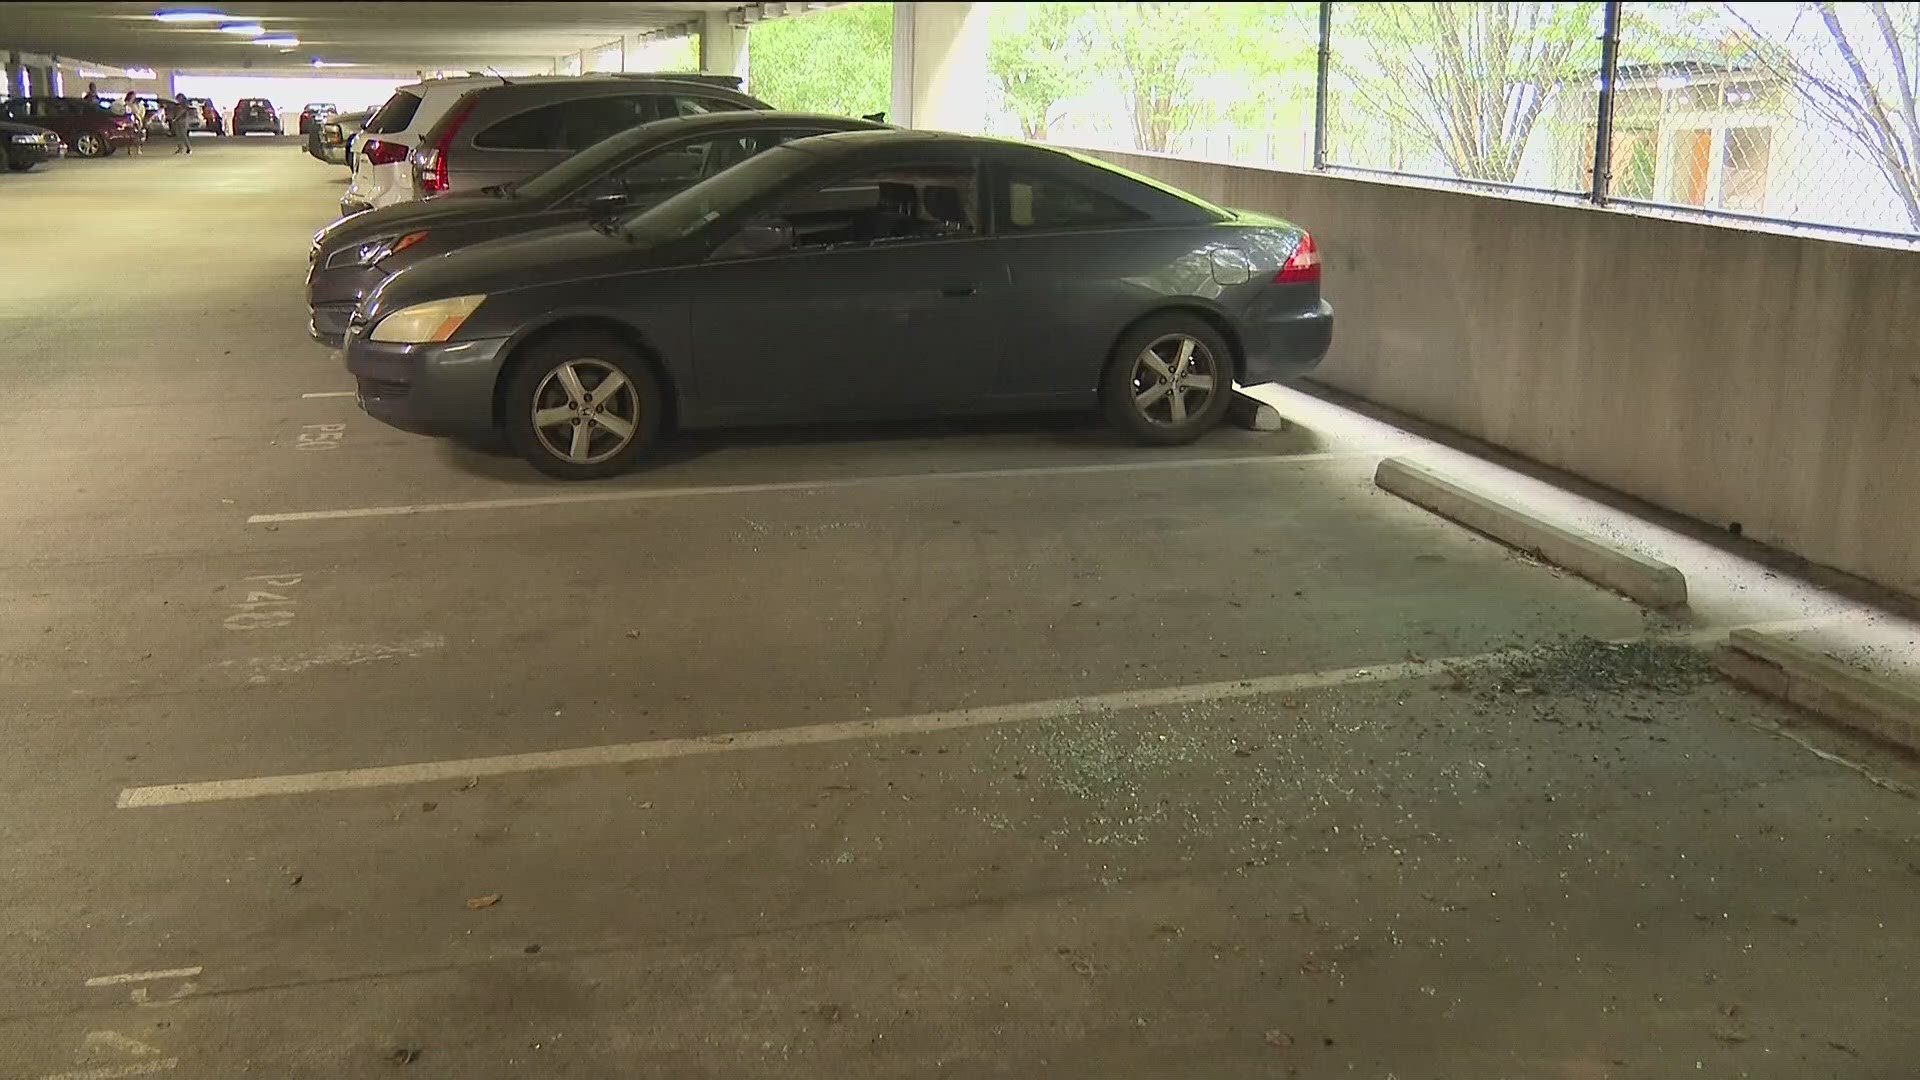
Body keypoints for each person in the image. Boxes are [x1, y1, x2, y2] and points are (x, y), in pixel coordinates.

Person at [122, 91, 147, 155]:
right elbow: (127, 112)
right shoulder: (126, 104)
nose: (134, 97)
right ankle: (130, 149)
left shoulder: (135, 104)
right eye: (133, 96)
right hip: (129, 120)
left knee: (138, 135)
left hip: (136, 120)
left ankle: (138, 149)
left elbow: (138, 112)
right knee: (130, 135)